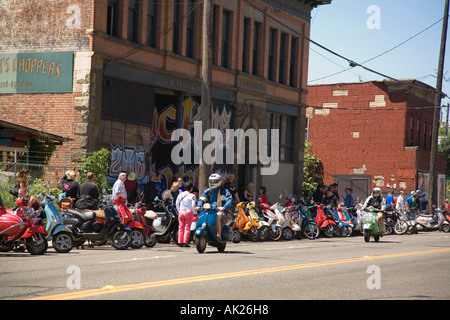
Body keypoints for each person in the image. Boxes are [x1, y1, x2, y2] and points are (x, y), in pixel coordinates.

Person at [197, 173, 233, 239]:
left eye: (215, 181)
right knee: (201, 215)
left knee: (218, 215)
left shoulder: (224, 191)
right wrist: (199, 205)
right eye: (211, 181)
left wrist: (224, 207)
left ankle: (218, 234)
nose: (212, 183)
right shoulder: (208, 191)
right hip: (209, 210)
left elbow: (229, 199)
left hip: (219, 211)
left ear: (219, 181)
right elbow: (202, 198)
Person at [175, 181, 197, 247]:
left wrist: (179, 210)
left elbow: (176, 203)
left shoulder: (181, 194)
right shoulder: (193, 196)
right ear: (191, 188)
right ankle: (185, 242)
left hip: (181, 211)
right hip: (189, 212)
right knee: (187, 228)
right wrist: (193, 211)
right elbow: (193, 205)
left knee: (181, 227)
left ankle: (180, 241)